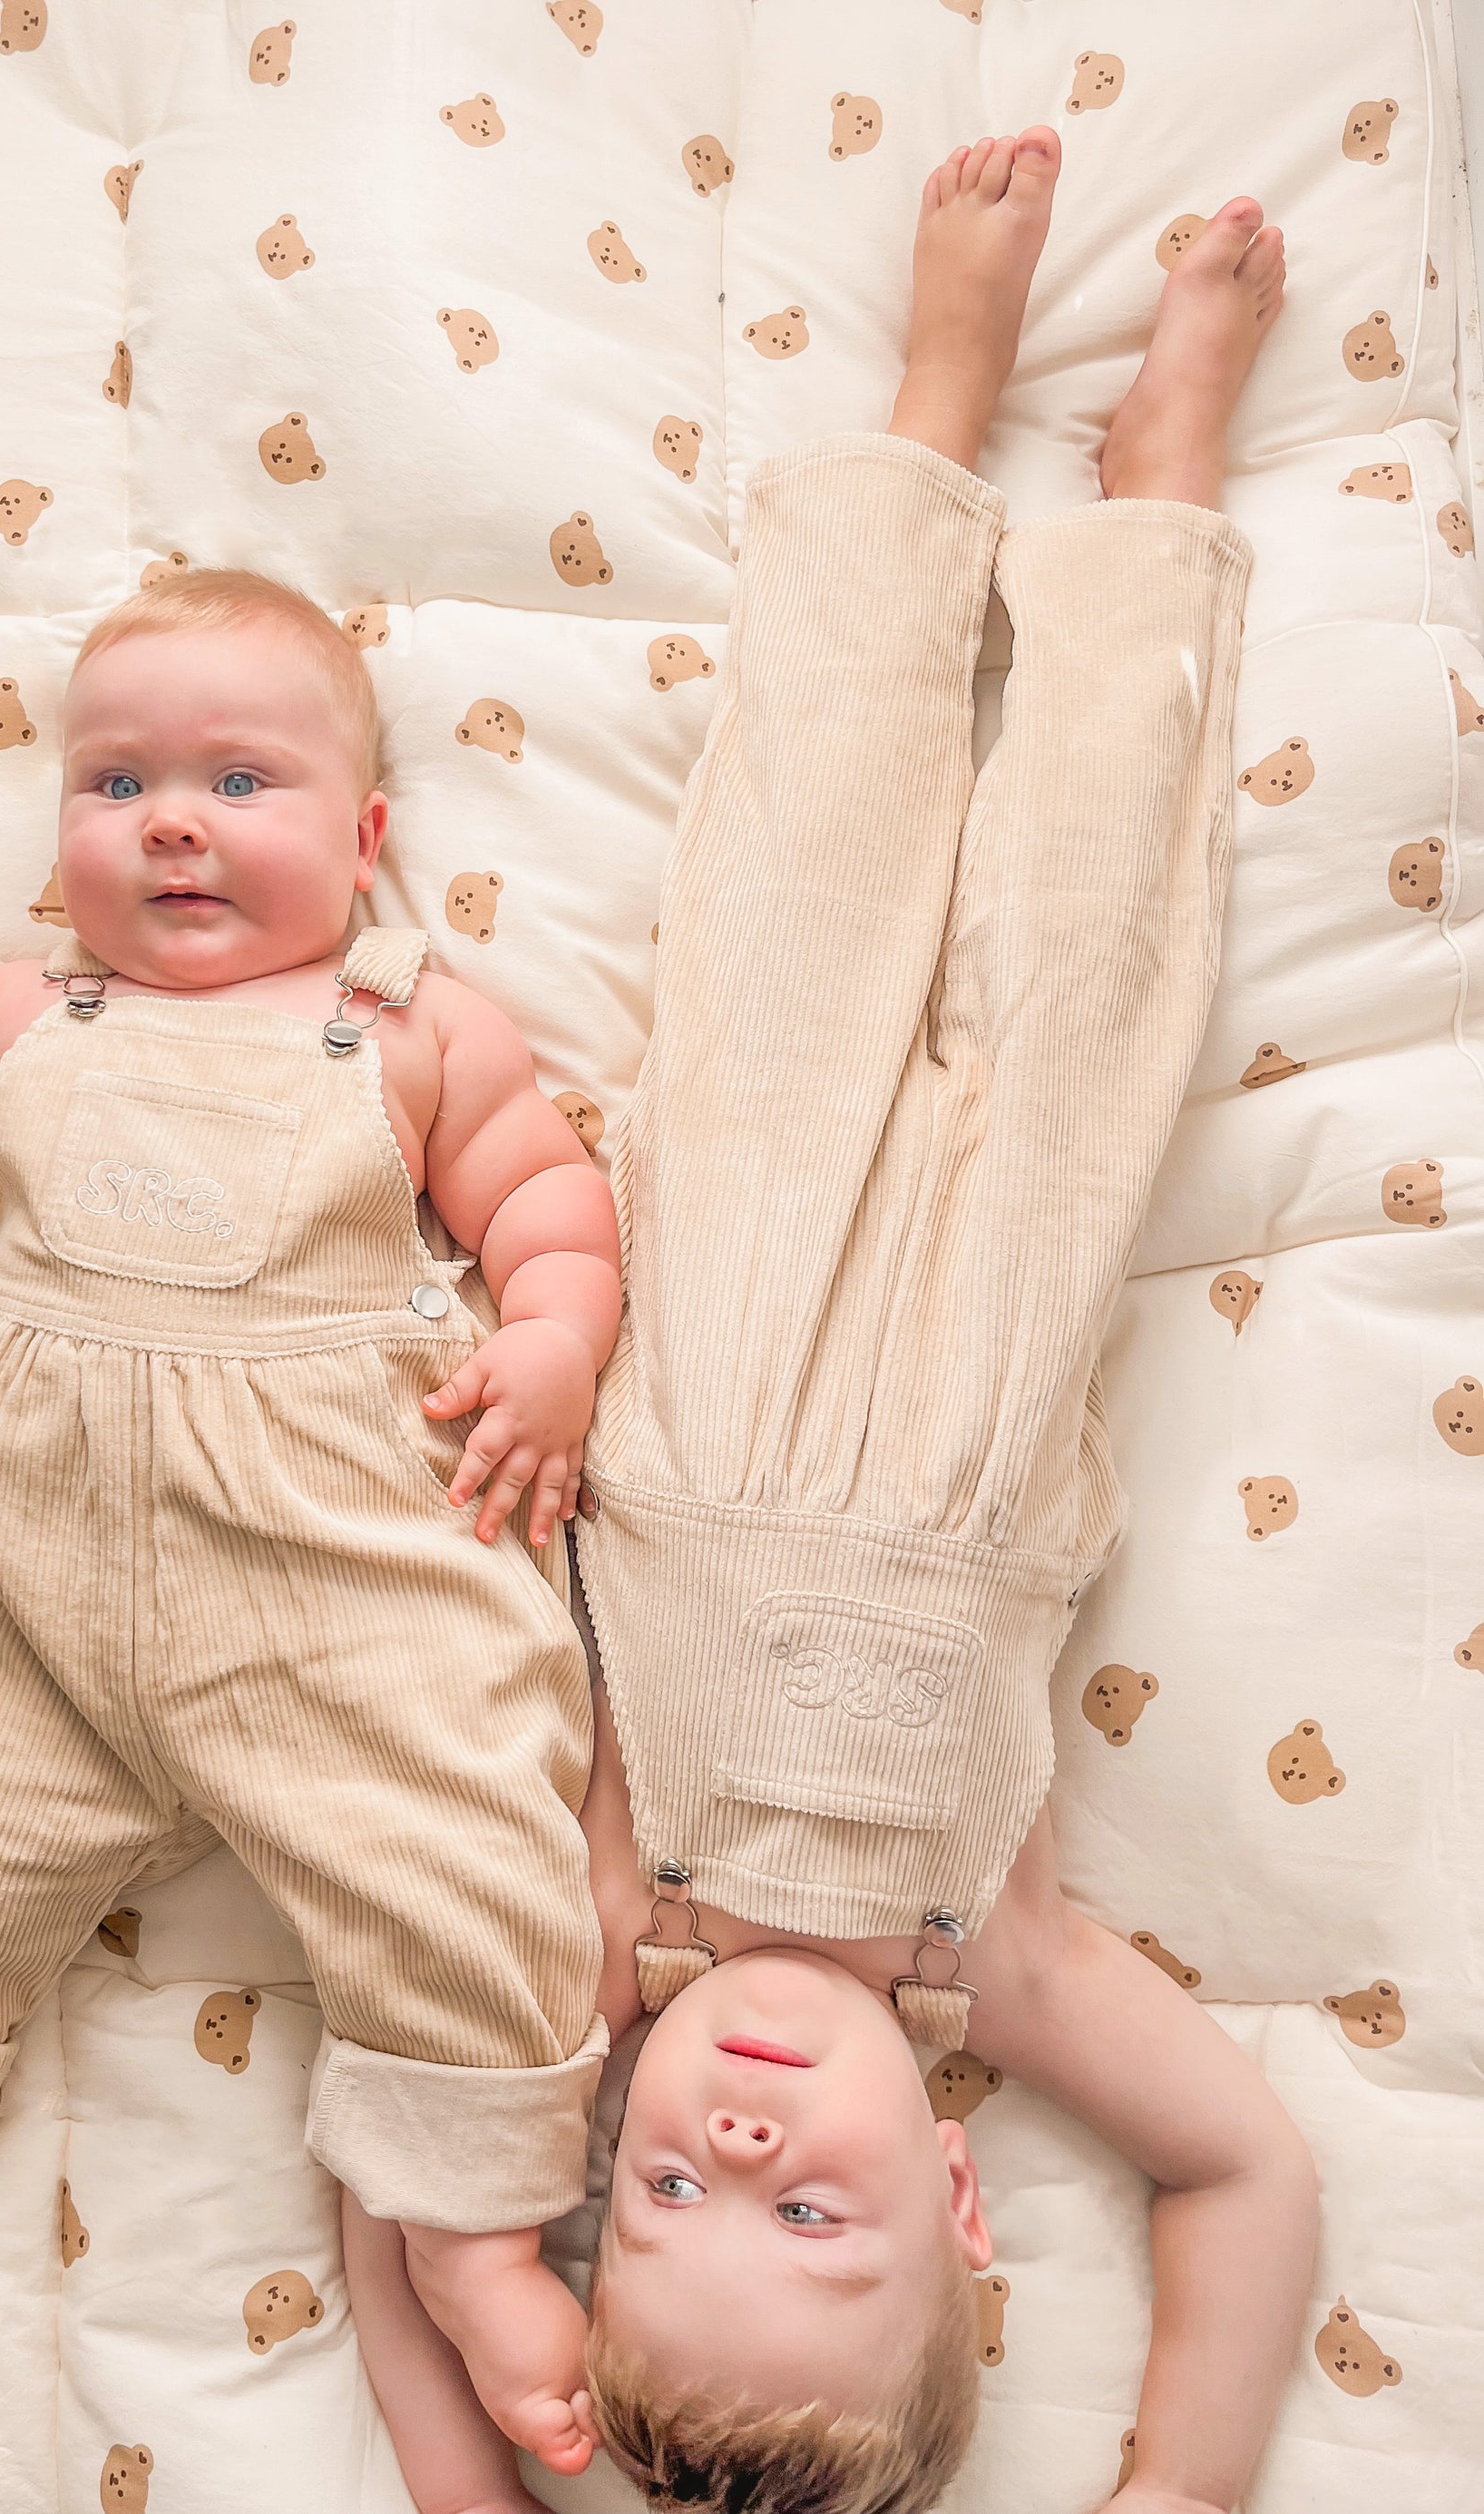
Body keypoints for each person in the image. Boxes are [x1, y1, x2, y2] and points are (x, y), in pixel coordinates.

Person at [342, 129, 1318, 2514]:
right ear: (965, 2203)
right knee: (1094, 958)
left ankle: (927, 419)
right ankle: (1152, 516)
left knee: (805, 872)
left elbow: (390, 2198)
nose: (738, 2135)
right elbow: (1253, 2180)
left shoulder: (594, 1954)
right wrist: (1178, 2490)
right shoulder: (1008, 1962)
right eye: (818, 2209)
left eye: (667, 2195)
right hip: (997, 1367)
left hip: (725, 1317)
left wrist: (474, 2482)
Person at [0, 540, 630, 2469]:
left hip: (343, 1580)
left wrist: (557, 1338)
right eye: (117, 785)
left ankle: (476, 2228)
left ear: (364, 841)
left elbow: (542, 1197)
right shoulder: (15, 1021)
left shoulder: (409, 1027)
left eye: (237, 784)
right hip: (40, 1607)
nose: (173, 824)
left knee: (468, 1868)